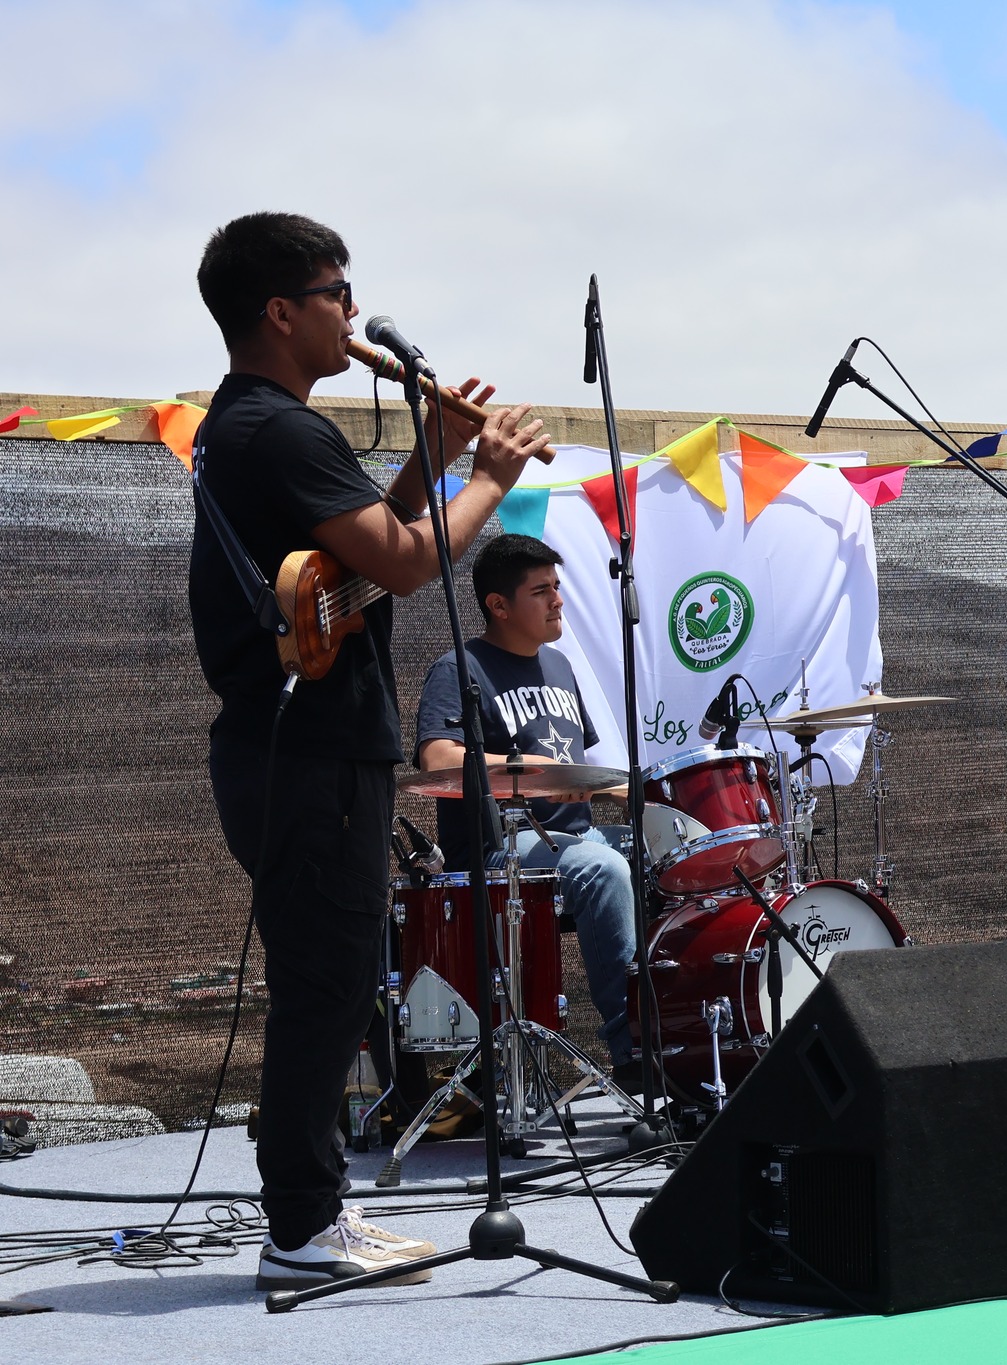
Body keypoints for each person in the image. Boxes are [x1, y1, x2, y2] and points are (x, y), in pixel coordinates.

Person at [190, 211, 549, 1288]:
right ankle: (302, 1229)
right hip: (307, 755)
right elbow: (404, 565)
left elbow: (349, 562)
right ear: (280, 310)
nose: (353, 313)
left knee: (332, 981)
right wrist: (490, 476)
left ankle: (310, 1217)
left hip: (291, 750)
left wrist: (432, 458)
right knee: (328, 987)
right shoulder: (279, 430)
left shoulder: (251, 426)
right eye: (337, 294)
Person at [414, 534, 639, 1083]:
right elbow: (438, 759)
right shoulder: (460, 668)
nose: (558, 600)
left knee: (671, 853)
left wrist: (623, 790)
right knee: (602, 868)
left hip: (575, 839)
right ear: (499, 605)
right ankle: (634, 1051)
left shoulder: (559, 666)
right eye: (541, 591)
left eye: (557, 587)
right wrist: (527, 770)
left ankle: (694, 1040)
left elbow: (572, 771)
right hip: (503, 850)